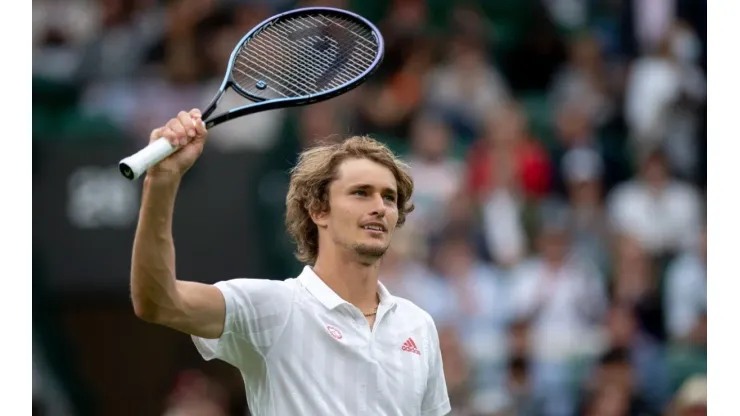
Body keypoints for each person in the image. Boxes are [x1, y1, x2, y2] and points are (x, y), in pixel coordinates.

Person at [129, 109, 451, 416]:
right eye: (361, 193)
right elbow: (159, 302)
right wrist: (163, 181)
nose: (380, 207)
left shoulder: (418, 326)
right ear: (318, 210)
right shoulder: (273, 307)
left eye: (389, 197)